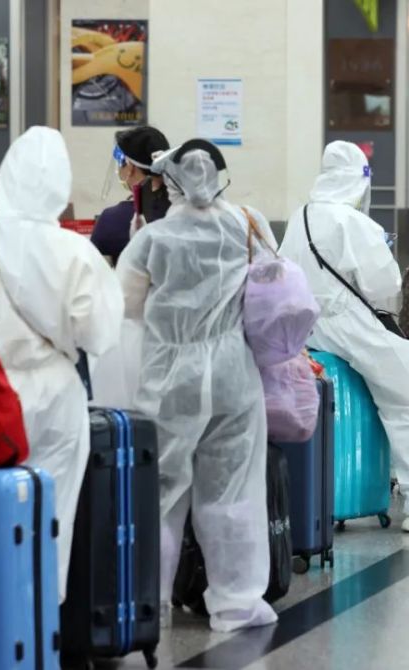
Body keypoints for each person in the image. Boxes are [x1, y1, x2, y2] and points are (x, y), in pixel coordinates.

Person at [117, 139, 278, 632]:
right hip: (234, 373)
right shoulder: (246, 225)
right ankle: (237, 604)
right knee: (232, 493)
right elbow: (273, 281)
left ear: (169, 182)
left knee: (159, 494)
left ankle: (149, 605)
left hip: (169, 377)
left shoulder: (152, 239)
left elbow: (126, 304)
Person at [0, 126, 125, 598]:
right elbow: (99, 333)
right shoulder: (75, 251)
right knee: (52, 519)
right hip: (56, 392)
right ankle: (38, 618)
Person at [278, 141, 409, 533]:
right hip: (349, 325)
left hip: (308, 327)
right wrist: (381, 251)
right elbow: (385, 287)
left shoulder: (300, 216)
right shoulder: (353, 221)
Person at [92, 126, 172, 264]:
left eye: (120, 163)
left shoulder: (112, 219)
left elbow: (97, 270)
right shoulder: (182, 210)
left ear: (130, 167)